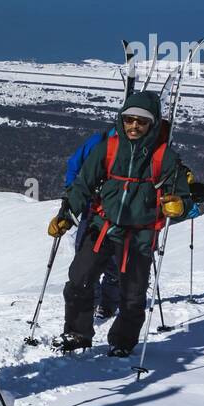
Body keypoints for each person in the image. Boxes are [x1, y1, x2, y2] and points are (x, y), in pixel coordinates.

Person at [48, 90, 194, 356]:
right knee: (79, 280)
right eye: (129, 120)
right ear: (122, 119)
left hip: (140, 235)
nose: (134, 126)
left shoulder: (165, 157)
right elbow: (83, 184)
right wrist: (66, 215)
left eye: (141, 121)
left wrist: (179, 206)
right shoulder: (109, 148)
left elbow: (184, 198)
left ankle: (123, 342)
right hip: (103, 226)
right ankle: (77, 333)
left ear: (152, 123)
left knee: (133, 295)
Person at [65, 127, 121, 320]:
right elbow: (75, 164)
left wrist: (71, 190)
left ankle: (106, 302)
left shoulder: (102, 140)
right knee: (87, 256)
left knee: (109, 259)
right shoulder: (101, 142)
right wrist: (73, 193)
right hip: (93, 207)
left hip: (116, 212)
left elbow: (73, 164)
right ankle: (96, 300)